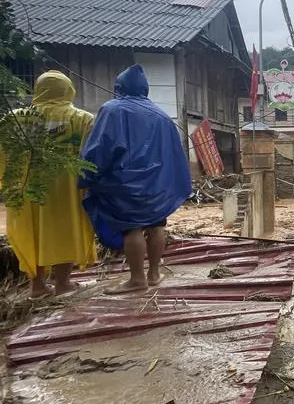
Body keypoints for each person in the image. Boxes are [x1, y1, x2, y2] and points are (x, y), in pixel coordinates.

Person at [80, 65, 191, 294]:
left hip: (126, 182)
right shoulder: (162, 115)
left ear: (119, 87)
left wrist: (87, 175)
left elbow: (101, 146)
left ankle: (137, 279)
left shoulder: (112, 110)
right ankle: (154, 274)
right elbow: (174, 154)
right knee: (157, 224)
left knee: (132, 229)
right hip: (157, 185)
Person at [2, 71, 97, 297]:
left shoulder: (15, 118)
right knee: (65, 231)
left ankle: (37, 286)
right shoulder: (83, 119)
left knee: (31, 232)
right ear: (68, 89)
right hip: (67, 189)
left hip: (26, 187)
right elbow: (92, 155)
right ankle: (63, 283)